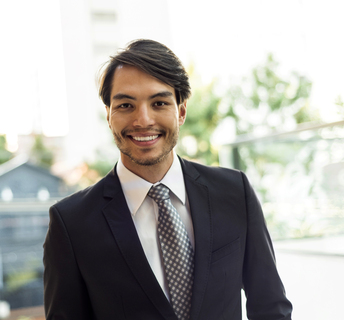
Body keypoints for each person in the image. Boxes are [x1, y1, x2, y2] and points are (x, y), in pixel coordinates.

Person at [43, 39, 292, 320]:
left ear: (181, 111)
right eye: (126, 105)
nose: (143, 120)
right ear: (109, 116)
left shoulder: (235, 192)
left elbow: (271, 307)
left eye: (159, 102)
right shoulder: (71, 223)